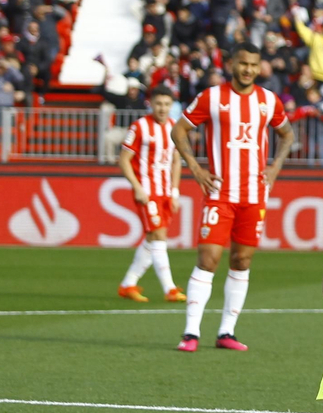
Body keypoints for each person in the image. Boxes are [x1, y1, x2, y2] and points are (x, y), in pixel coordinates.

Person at [171, 43, 295, 351]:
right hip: (220, 193)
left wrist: (275, 166)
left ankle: (227, 332)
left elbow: (287, 133)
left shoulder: (268, 100)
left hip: (254, 195)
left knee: (242, 260)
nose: (248, 69)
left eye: (254, 64)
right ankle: (190, 333)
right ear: (231, 64)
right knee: (208, 259)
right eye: (243, 64)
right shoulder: (212, 97)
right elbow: (179, 130)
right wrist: (196, 169)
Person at [116, 89, 185, 303]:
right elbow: (124, 159)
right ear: (151, 104)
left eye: (166, 104)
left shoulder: (174, 127)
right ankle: (169, 288)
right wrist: (137, 187)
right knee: (159, 237)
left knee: (152, 239)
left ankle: (128, 284)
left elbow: (176, 161)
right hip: (147, 192)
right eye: (158, 104)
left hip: (164, 192)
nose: (162, 108)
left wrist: (174, 191)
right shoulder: (139, 127)